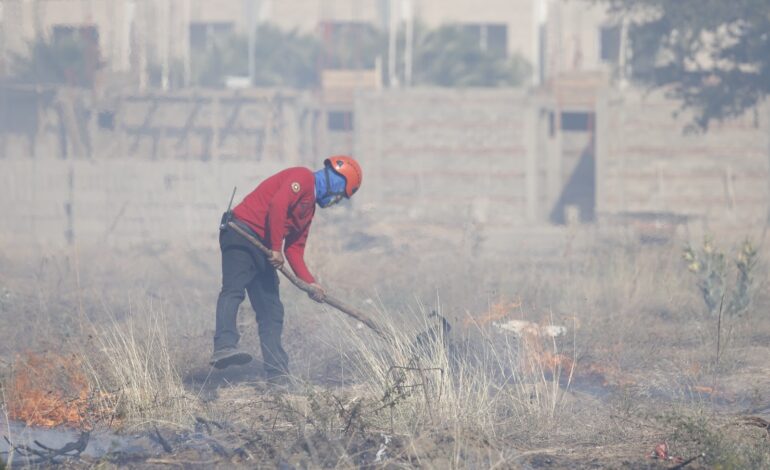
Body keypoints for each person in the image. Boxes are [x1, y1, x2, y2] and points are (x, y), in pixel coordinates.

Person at [209, 156, 363, 384]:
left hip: (265, 249)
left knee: (271, 311)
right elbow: (278, 205)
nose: (336, 201)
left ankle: (277, 375)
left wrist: (311, 284)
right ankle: (224, 346)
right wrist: (274, 249)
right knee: (233, 290)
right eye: (340, 195)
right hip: (241, 232)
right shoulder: (301, 177)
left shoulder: (308, 212)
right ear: (338, 181)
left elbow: (295, 250)